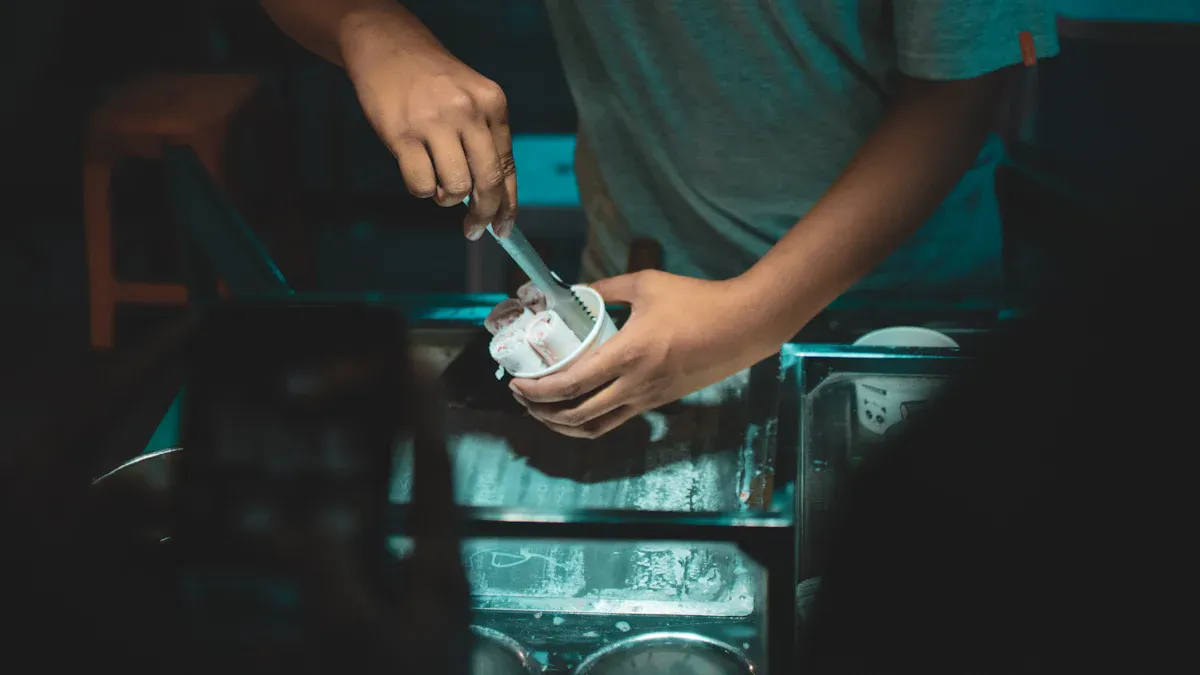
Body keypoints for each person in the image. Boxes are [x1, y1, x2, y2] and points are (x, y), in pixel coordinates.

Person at [260, 0, 1059, 438]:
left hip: (891, 318)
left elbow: (961, 92)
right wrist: (372, 27)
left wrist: (751, 318)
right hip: (640, 296)